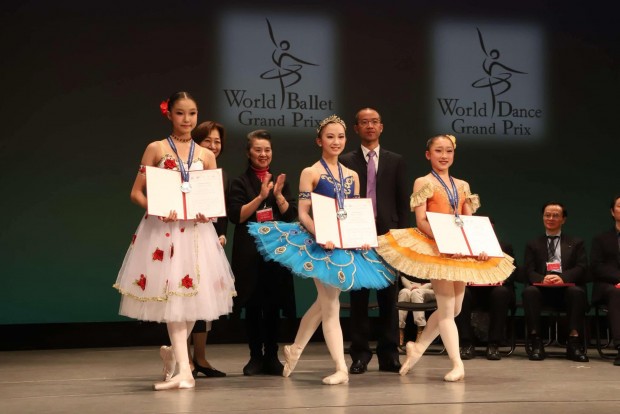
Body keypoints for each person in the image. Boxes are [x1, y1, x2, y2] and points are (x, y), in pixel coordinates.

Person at [247, 115, 396, 385]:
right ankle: (340, 367)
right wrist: (321, 234)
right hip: (318, 243)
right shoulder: (311, 172)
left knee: (324, 302)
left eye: (340, 136)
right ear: (319, 141)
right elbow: (303, 213)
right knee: (330, 305)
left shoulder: (352, 176)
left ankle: (295, 349)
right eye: (330, 137)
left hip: (343, 244)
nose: (336, 141)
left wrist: (361, 237)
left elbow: (353, 212)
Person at [113, 92, 235, 390]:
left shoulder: (206, 155)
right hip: (164, 231)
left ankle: (176, 358)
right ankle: (185, 371)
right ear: (169, 114)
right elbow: (136, 192)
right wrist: (155, 208)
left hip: (196, 233)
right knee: (173, 298)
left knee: (191, 300)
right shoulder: (156, 148)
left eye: (192, 113)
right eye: (180, 113)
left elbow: (211, 197)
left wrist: (208, 212)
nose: (187, 119)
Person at [375, 134, 514, 381]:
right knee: (447, 311)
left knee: (454, 309)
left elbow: (469, 221)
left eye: (448, 151)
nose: (444, 155)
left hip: (458, 250)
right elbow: (421, 220)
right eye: (438, 151)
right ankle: (457, 364)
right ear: (428, 155)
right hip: (437, 249)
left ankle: (418, 348)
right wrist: (445, 242)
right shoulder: (423, 182)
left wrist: (477, 246)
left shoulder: (462, 185)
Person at [339, 108, 409, 374]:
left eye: (375, 122)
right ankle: (359, 354)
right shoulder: (345, 160)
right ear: (356, 128)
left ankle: (389, 354)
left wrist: (401, 238)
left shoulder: (396, 160)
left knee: (388, 299)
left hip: (388, 237)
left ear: (381, 127)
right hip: (357, 236)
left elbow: (402, 202)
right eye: (364, 122)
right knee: (358, 298)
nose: (370, 126)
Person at [228, 129, 298, 376]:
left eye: (267, 150)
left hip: (275, 251)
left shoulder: (280, 181)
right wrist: (260, 197)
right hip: (249, 252)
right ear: (249, 153)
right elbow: (237, 216)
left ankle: (272, 356)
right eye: (258, 149)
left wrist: (277, 195)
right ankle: (255, 357)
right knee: (253, 305)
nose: (263, 154)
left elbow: (290, 216)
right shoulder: (239, 182)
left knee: (273, 304)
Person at [183, 120, 229, 378]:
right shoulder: (184, 170)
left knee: (205, 301)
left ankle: (200, 358)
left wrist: (221, 233)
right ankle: (184, 359)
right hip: (184, 239)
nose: (213, 146)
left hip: (208, 241)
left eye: (217, 141)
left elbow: (220, 210)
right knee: (184, 299)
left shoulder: (220, 174)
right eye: (208, 141)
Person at [522, 202, 589, 362]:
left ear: (563, 219)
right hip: (542, 290)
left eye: (555, 215)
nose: (550, 218)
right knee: (529, 292)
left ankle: (574, 342)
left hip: (566, 290)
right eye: (547, 215)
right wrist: (542, 278)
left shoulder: (576, 242)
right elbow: (529, 270)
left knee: (577, 292)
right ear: (542, 217)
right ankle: (536, 341)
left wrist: (563, 278)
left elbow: (581, 267)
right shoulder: (533, 244)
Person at [456, 233, 517, 361]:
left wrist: (499, 279)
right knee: (462, 292)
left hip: (495, 290)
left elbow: (512, 272)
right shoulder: (464, 248)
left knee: (501, 293)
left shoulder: (504, 247)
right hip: (473, 290)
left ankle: (494, 345)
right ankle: (467, 344)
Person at [591, 195, 620, 366]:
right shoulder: (601, 239)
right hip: (608, 286)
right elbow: (597, 267)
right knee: (617, 293)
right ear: (612, 211)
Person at [398, 276, 435, 346]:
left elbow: (435, 280)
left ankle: (421, 330)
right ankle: (400, 330)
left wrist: (419, 288)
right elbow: (403, 275)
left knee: (416, 292)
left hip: (431, 289)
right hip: (411, 288)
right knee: (404, 292)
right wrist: (410, 287)